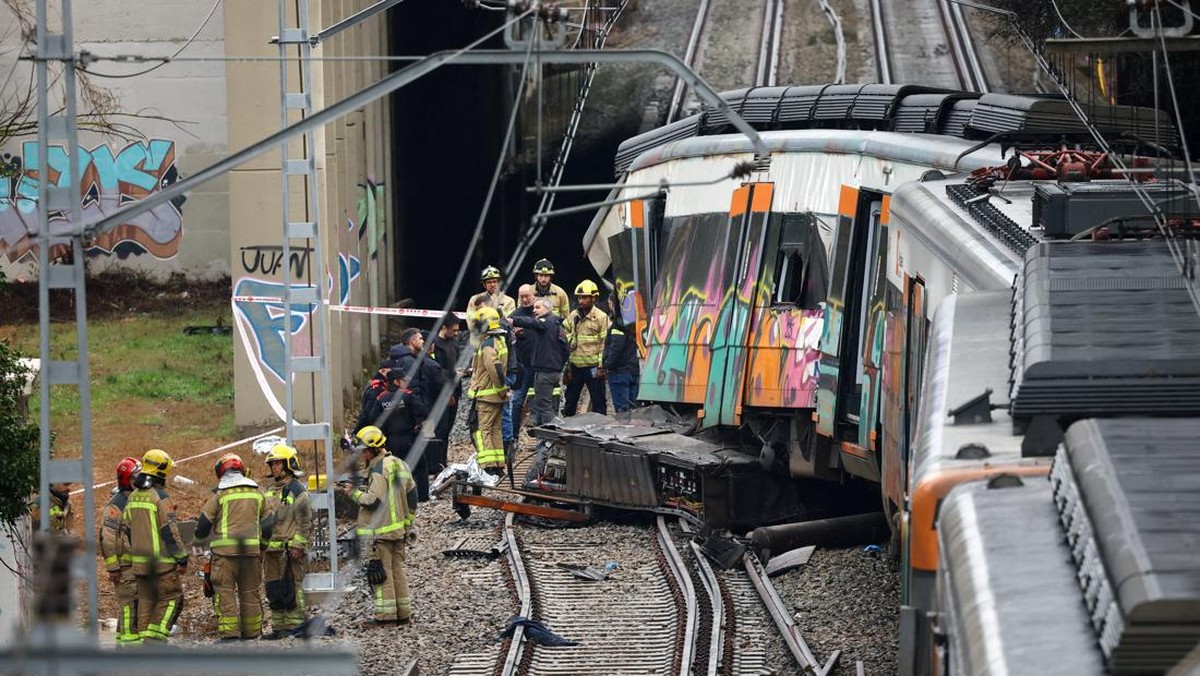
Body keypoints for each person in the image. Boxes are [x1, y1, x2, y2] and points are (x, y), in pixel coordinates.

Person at [194, 453, 274, 642]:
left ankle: (229, 636)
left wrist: (198, 542)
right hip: (251, 554)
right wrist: (262, 546)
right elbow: (268, 524)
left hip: (225, 555)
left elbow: (204, 524)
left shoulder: (220, 493)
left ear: (221, 472)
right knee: (250, 592)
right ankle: (252, 634)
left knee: (225, 592)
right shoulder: (257, 492)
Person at [342, 425, 417, 626]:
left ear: (373, 449)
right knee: (397, 571)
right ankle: (403, 613)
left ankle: (385, 616)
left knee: (382, 575)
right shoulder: (399, 463)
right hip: (398, 531)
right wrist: (407, 522)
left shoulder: (378, 469)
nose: (362, 455)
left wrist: (353, 493)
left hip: (380, 533)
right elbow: (412, 494)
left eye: (364, 451)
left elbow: (373, 500)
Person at [121, 449, 188, 643]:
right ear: (160, 471)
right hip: (162, 566)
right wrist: (181, 557)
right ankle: (155, 641)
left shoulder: (133, 496)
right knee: (172, 598)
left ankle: (144, 649)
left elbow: (125, 530)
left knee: (146, 603)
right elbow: (169, 531)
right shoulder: (160, 497)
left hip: (140, 566)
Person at [261, 444, 311, 640]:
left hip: (290, 552)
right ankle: (278, 628)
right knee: (273, 589)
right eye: (272, 464)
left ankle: (296, 626)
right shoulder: (269, 491)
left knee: (292, 589)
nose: (274, 467)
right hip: (272, 552)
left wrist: (298, 546)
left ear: (289, 464)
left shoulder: (298, 491)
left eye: (277, 463)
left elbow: (305, 523)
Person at [99, 457, 142, 646]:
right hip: (125, 568)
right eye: (135, 476)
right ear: (126, 479)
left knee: (134, 607)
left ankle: (123, 645)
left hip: (138, 564)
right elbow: (107, 537)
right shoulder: (116, 505)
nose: (139, 480)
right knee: (128, 608)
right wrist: (113, 567)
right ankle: (128, 649)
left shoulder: (139, 498)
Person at [509, 297, 568, 427]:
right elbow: (565, 350)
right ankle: (546, 432)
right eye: (534, 307)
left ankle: (548, 439)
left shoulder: (545, 322)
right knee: (548, 404)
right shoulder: (557, 324)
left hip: (545, 372)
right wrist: (559, 365)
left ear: (547, 309)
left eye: (538, 307)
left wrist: (513, 320)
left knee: (544, 406)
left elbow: (531, 322)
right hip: (553, 371)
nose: (534, 310)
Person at [377, 368, 431, 501]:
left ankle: (399, 497)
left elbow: (373, 419)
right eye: (403, 380)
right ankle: (423, 496)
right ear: (396, 381)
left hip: (391, 440)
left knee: (395, 469)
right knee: (420, 466)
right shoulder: (407, 395)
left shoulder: (381, 399)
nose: (405, 382)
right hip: (409, 437)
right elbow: (423, 411)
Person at [467, 306, 508, 476]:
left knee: (482, 430)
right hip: (494, 396)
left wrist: (501, 390)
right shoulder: (499, 341)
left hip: (487, 397)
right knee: (496, 429)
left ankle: (488, 467)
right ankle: (498, 464)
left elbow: (495, 371)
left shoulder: (487, 346)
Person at [563, 279, 611, 417]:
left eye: (584, 297)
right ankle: (568, 427)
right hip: (575, 367)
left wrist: (601, 366)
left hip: (593, 368)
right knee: (570, 401)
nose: (580, 301)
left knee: (599, 402)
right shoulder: (574, 316)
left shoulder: (601, 318)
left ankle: (600, 428)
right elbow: (564, 333)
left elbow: (605, 343)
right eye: (579, 297)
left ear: (594, 298)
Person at [428, 313, 464, 474]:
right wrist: (451, 374)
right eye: (454, 330)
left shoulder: (453, 345)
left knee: (447, 429)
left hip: (453, 392)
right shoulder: (434, 345)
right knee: (439, 430)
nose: (456, 333)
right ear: (444, 328)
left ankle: (442, 461)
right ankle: (436, 464)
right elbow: (434, 371)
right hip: (440, 394)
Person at [604, 295, 641, 413]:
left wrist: (607, 365)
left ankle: (624, 430)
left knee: (622, 412)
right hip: (633, 370)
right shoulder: (633, 324)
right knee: (634, 410)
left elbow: (616, 348)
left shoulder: (618, 325)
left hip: (619, 372)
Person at [509, 284, 538, 435]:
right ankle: (513, 436)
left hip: (539, 365)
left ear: (534, 295)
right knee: (517, 401)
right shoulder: (514, 316)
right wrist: (514, 333)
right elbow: (507, 341)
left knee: (541, 402)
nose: (525, 299)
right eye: (522, 297)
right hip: (523, 366)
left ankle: (542, 434)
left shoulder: (539, 312)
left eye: (527, 296)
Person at [465, 265, 515, 331]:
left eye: (495, 281)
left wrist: (498, 310)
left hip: (501, 338)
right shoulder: (475, 299)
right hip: (480, 338)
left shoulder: (509, 301)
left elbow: (509, 323)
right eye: (489, 282)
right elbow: (470, 323)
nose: (492, 285)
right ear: (484, 284)